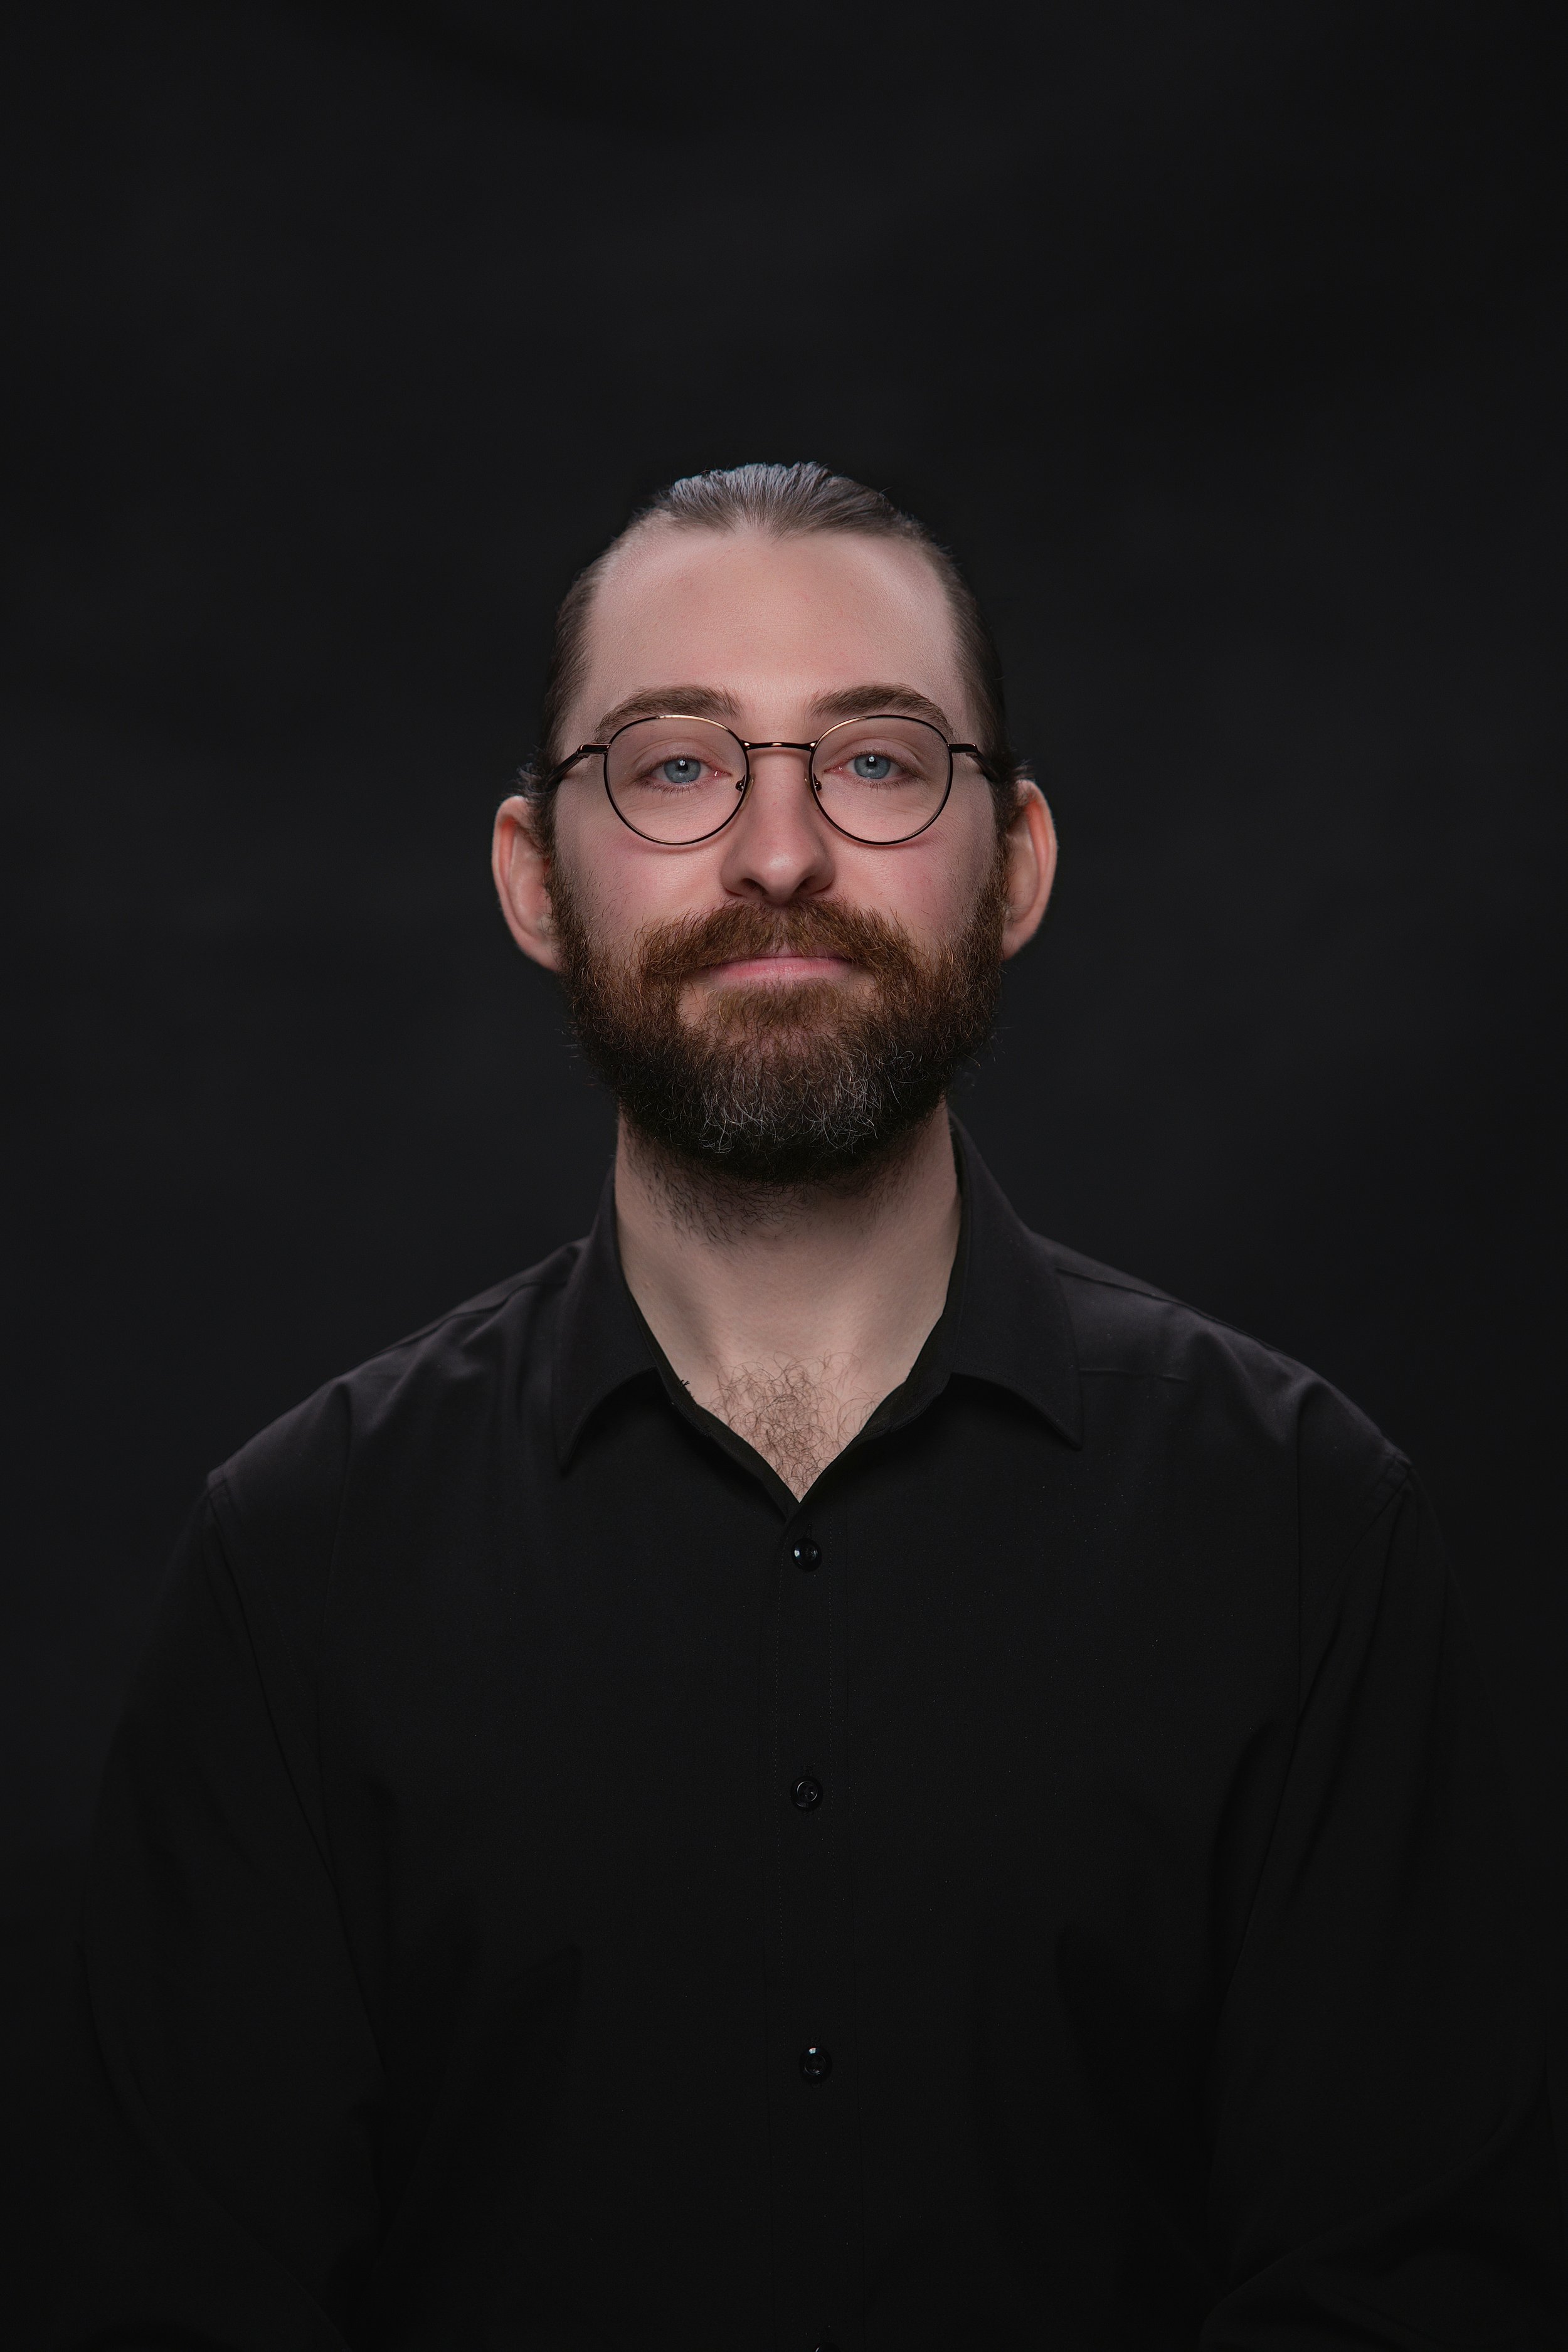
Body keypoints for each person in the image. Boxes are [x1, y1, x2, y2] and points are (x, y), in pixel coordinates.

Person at [63, 463, 1560, 2348]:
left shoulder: (1303, 1528)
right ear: (534, 879)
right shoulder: (296, 1568)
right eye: (677, 765)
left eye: (872, 762)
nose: (779, 855)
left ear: (1013, 865)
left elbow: (1413, 2289)